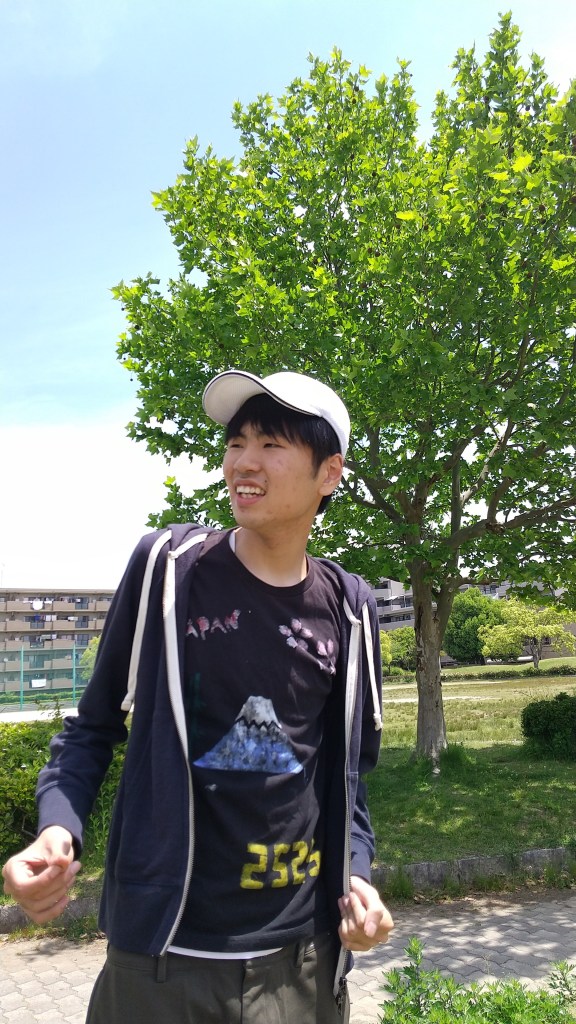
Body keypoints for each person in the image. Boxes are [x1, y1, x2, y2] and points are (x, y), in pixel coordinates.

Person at [2, 369, 394, 1023]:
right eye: (236, 443)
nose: (244, 462)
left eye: (271, 445)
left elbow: (348, 781)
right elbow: (92, 727)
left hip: (301, 963)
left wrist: (356, 874)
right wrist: (56, 830)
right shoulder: (169, 570)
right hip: (162, 959)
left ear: (329, 473)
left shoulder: (349, 608)